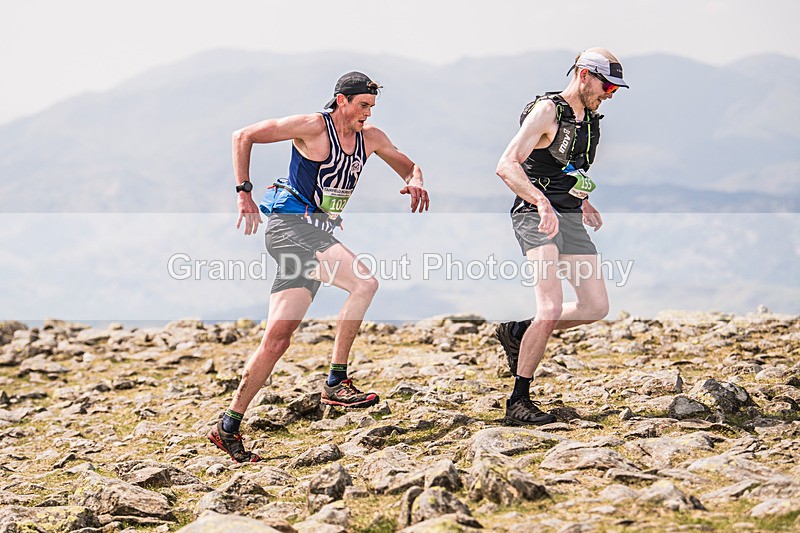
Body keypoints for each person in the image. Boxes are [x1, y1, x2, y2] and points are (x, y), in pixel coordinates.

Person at [208, 71, 430, 462]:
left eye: (372, 107)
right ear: (342, 101)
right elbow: (242, 136)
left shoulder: (371, 138)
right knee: (365, 283)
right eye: (362, 105)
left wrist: (416, 182)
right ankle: (336, 380)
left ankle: (228, 426)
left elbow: (410, 166)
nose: (367, 114)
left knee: (276, 341)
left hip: (311, 235)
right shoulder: (313, 127)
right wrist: (244, 193)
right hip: (291, 227)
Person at [494, 48, 628, 426]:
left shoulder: (589, 119)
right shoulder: (547, 111)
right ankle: (518, 402)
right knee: (550, 308)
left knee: (595, 306)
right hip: (536, 215)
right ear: (584, 75)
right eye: (607, 85)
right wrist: (540, 201)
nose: (610, 94)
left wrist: (583, 201)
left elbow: (568, 168)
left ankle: (518, 331)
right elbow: (507, 164)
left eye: (616, 89)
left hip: (569, 215)